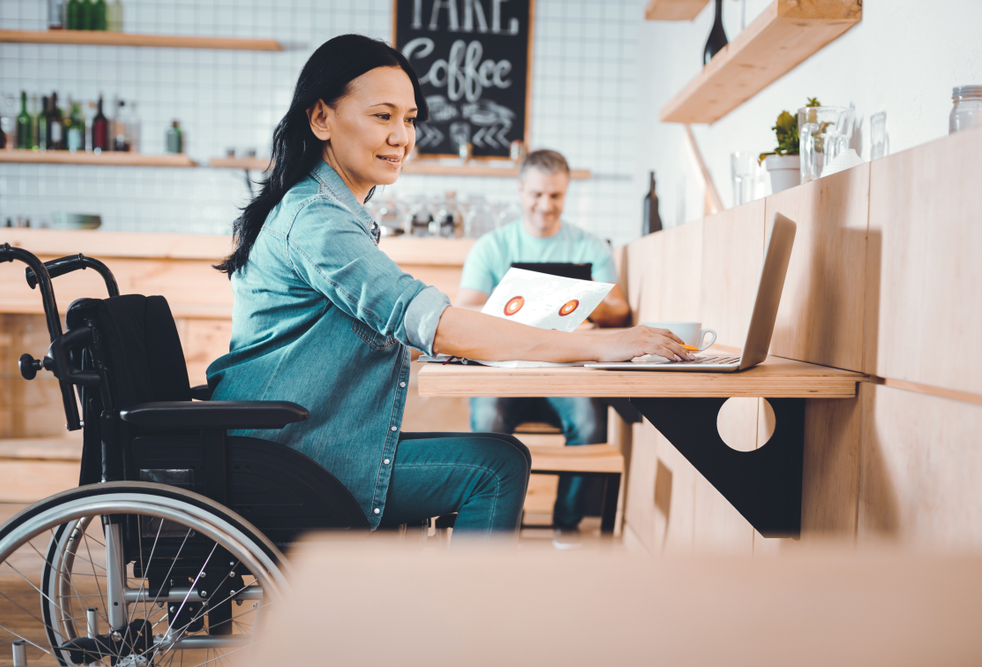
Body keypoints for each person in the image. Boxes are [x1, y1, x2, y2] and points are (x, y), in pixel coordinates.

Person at [207, 35, 693, 543]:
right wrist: (606, 344)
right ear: (321, 118)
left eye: (410, 118)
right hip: (288, 456)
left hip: (298, 442)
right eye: (382, 116)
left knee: (497, 455)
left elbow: (348, 335)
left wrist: (433, 351)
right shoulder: (318, 221)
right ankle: (466, 620)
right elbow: (431, 320)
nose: (402, 136)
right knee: (496, 467)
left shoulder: (321, 210)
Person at [454, 150, 632, 539]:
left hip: (564, 374)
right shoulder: (491, 246)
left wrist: (576, 297)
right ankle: (497, 532)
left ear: (566, 194)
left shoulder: (589, 246)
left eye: (555, 196)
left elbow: (619, 312)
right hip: (502, 375)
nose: (545, 206)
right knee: (485, 423)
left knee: (589, 423)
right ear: (520, 190)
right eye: (536, 194)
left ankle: (566, 529)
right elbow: (464, 307)